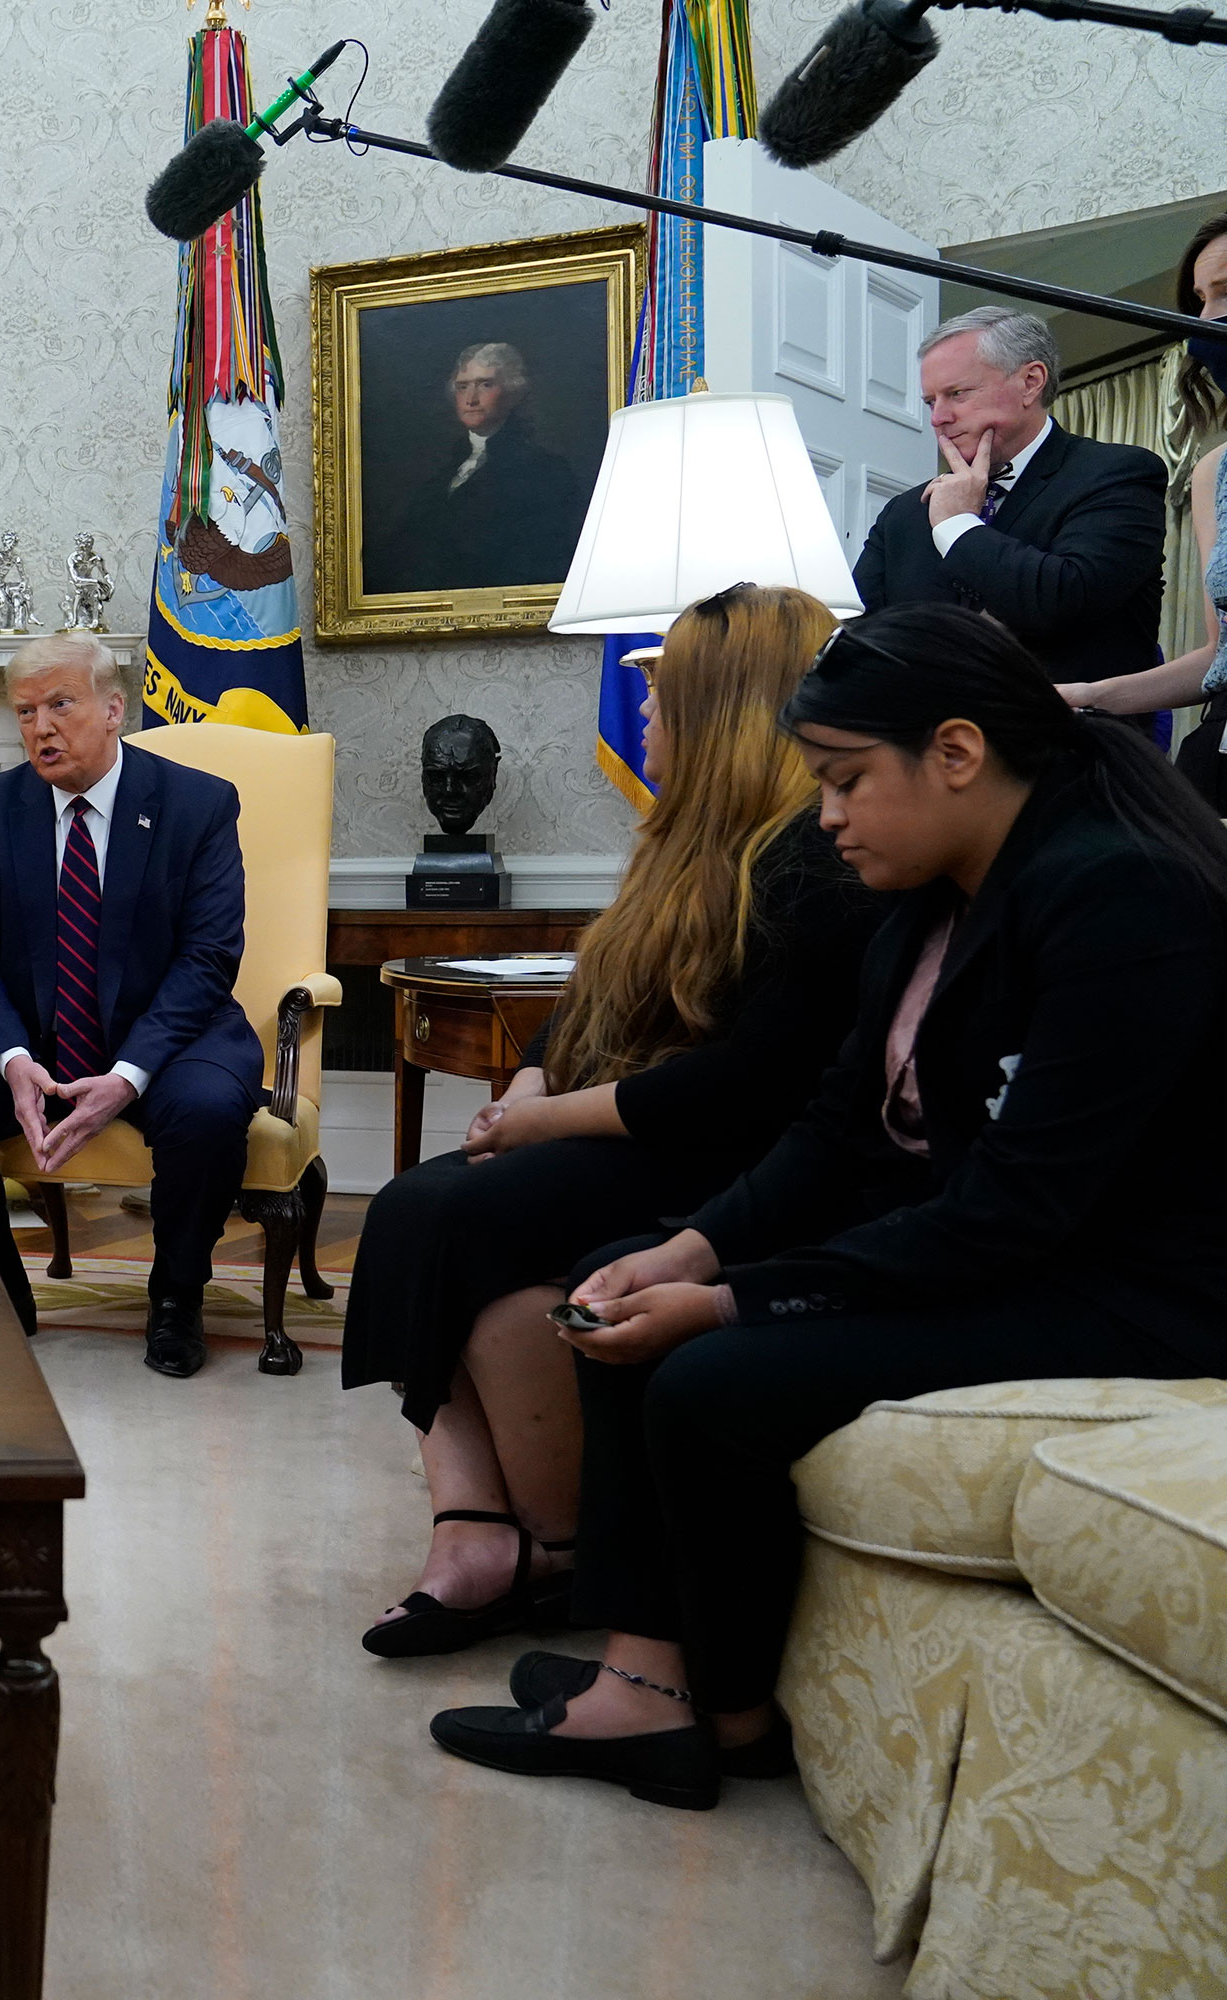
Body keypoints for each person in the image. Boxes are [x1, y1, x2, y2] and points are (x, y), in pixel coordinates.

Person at [430, 602, 1227, 1812]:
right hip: (1006, 1239)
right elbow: (835, 1128)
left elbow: (1014, 1212)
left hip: (1131, 1289)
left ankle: (726, 1715)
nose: (826, 814)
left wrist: (734, 1299)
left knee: (709, 1376)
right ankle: (648, 1676)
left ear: (955, 753)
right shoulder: (932, 886)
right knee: (618, 1275)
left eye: (847, 780)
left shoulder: (1124, 898)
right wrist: (688, 1251)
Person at [340, 585, 885, 1658]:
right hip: (636, 1134)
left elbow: (745, 1084)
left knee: (449, 1215)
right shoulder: (678, 843)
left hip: (722, 1156)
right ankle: (474, 1525)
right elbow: (589, 999)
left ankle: (553, 1542)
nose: (642, 719)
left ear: (724, 711)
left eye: (662, 695)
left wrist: (547, 1127)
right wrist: (536, 1083)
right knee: (415, 1204)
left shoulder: (809, 863)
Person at [0, 633, 261, 1379]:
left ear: (114, 708)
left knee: (208, 1111)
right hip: (31, 1037)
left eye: (61, 704)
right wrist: (13, 1058)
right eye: (25, 712)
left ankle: (176, 1298)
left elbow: (209, 957)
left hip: (172, 1034)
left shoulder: (197, 805)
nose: (41, 727)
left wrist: (129, 1073)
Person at [851, 306, 1166, 686]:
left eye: (957, 394)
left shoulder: (1117, 474)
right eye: (931, 402)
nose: (938, 418)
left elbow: (1061, 600)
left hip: (1064, 737)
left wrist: (957, 525)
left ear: (1031, 382)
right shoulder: (904, 513)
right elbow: (859, 640)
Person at [1053, 214, 1227, 807]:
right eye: (1199, 301)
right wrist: (1088, 695)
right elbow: (1217, 657)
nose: (1207, 320)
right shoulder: (1214, 473)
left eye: (1226, 293)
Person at [371, 341, 588, 595]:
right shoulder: (441, 476)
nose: (471, 399)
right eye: (462, 387)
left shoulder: (545, 472)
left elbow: (539, 562)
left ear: (512, 391)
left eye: (485, 384)